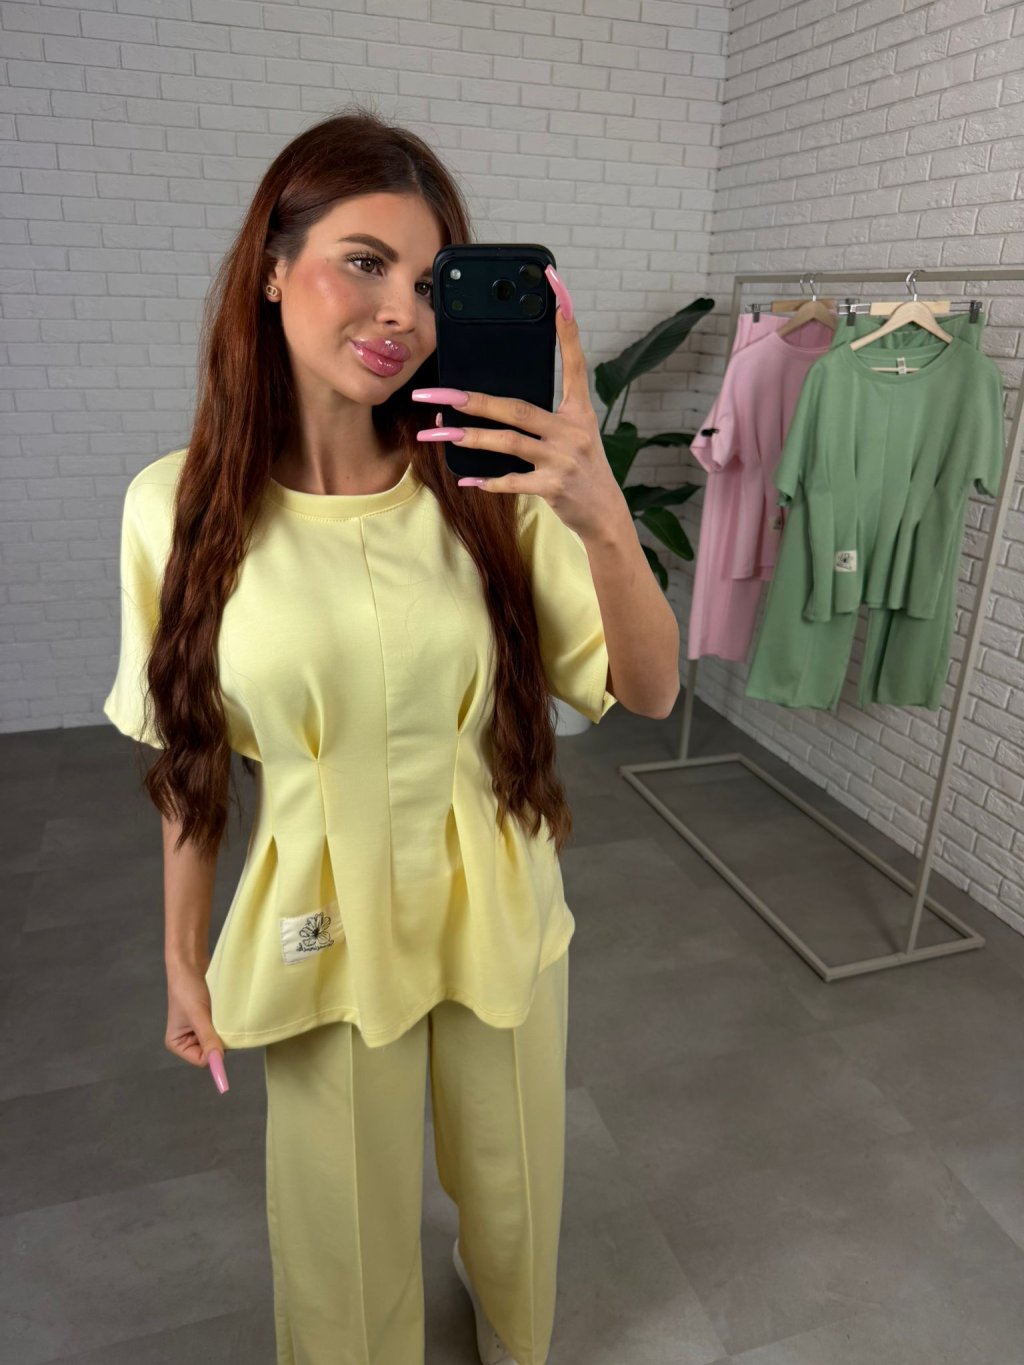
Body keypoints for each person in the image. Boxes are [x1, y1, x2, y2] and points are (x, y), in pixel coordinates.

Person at [104, 104, 676, 1365]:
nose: (400, 311)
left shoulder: (489, 489)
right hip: (318, 907)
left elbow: (647, 691)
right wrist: (182, 956)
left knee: (514, 1186)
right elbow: (187, 755)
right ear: (271, 268)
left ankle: (513, 1336)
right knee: (340, 1226)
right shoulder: (173, 507)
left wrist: (599, 515)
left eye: (428, 281)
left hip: (497, 892)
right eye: (363, 261)